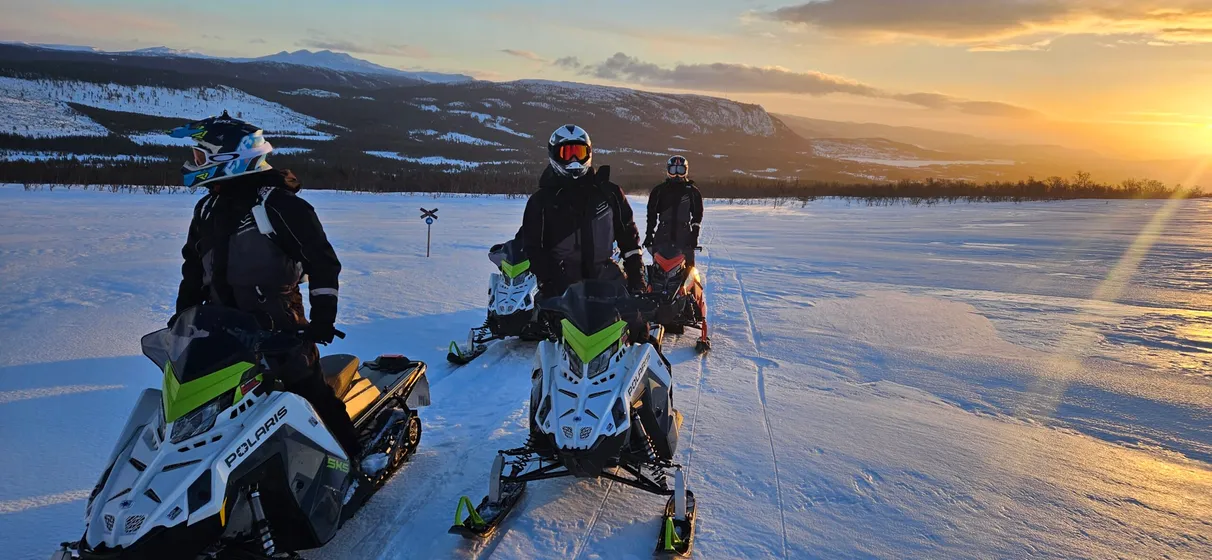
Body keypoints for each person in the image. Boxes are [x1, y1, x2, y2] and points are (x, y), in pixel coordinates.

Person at [169, 111, 364, 463]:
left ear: (229, 159)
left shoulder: (278, 205)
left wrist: (321, 320)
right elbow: (194, 267)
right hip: (221, 329)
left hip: (280, 328)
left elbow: (322, 262)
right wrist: (184, 315)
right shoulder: (208, 208)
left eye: (201, 156)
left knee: (307, 391)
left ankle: (352, 459)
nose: (194, 162)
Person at [521, 125, 646, 299]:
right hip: (562, 285)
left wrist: (637, 278)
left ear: (588, 153)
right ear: (554, 155)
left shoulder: (609, 194)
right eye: (567, 153)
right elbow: (533, 248)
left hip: (606, 279)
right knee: (539, 323)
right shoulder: (541, 201)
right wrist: (549, 281)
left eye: (578, 153)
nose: (574, 160)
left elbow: (629, 239)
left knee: (638, 322)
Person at [644, 156, 704, 266]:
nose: (676, 174)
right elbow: (651, 214)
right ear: (668, 171)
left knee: (688, 268)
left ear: (686, 171)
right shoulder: (659, 190)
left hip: (684, 234)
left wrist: (694, 234)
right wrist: (649, 234)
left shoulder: (692, 191)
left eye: (680, 171)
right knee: (659, 266)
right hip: (663, 233)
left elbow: (697, 214)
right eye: (673, 171)